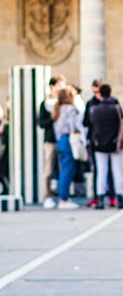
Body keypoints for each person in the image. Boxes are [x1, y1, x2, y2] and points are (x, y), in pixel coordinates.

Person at [88, 83, 123, 210]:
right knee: (117, 171)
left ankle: (100, 199)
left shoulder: (94, 109)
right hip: (115, 144)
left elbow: (91, 126)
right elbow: (121, 123)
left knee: (101, 172)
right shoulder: (116, 107)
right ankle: (120, 198)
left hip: (99, 144)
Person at [83, 79, 118, 207]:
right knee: (97, 170)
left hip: (111, 139)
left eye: (99, 92)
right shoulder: (91, 104)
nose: (97, 95)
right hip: (96, 140)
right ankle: (98, 196)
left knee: (111, 170)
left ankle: (112, 196)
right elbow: (86, 122)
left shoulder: (114, 103)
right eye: (95, 92)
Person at [52, 86, 82, 210]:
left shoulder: (57, 109)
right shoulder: (70, 109)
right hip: (69, 140)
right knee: (68, 169)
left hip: (60, 140)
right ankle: (63, 198)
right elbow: (73, 126)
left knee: (64, 168)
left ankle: (64, 197)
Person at [39, 76, 65, 208]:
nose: (62, 88)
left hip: (63, 139)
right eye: (60, 85)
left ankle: (63, 196)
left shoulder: (64, 102)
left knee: (63, 169)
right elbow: (41, 123)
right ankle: (47, 196)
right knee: (48, 169)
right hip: (50, 140)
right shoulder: (45, 104)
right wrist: (53, 119)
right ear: (52, 86)